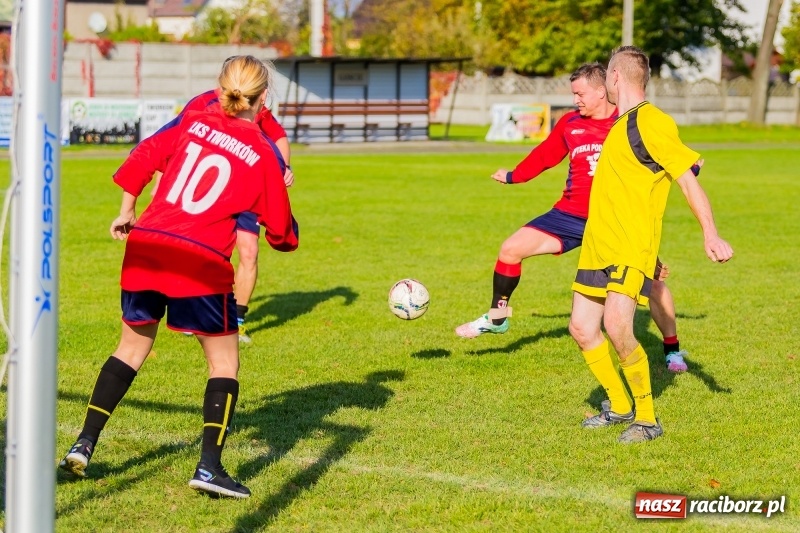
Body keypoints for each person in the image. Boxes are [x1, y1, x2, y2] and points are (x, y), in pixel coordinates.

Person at [58, 56, 299, 498]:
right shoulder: (263, 151)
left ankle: (83, 443)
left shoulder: (192, 120)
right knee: (224, 362)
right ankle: (209, 468)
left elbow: (144, 154)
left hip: (146, 245)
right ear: (264, 99)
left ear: (220, 88)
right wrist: (282, 204)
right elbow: (282, 235)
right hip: (199, 259)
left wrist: (127, 209)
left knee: (131, 348)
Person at [455, 62, 689, 373]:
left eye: (580, 93)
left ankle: (672, 350)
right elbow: (544, 155)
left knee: (654, 286)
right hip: (568, 215)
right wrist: (514, 176)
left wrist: (690, 168)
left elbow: (669, 153)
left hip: (614, 222)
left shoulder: (627, 122)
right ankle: (497, 317)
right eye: (573, 94)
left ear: (601, 90)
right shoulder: (570, 124)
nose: (575, 100)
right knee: (510, 249)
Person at [568, 46, 733, 444]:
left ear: (616, 78)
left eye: (606, 75)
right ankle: (620, 405)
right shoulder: (621, 124)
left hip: (626, 247)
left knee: (618, 326)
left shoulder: (650, 121)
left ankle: (646, 418)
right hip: (597, 245)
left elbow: (687, 181)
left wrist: (710, 233)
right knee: (582, 329)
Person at [158, 69, 295, 344]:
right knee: (202, 249)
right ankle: (192, 309)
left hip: (246, 187)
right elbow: (168, 141)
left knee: (249, 251)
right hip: (212, 188)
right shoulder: (201, 104)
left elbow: (278, 137)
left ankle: (238, 321)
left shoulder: (255, 105)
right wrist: (163, 179)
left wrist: (284, 167)